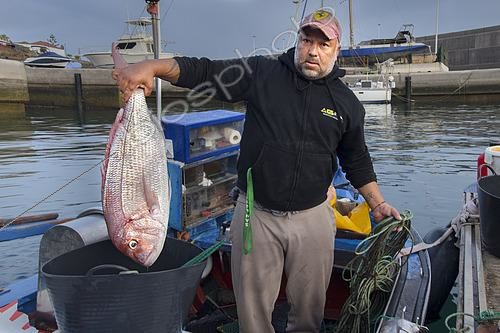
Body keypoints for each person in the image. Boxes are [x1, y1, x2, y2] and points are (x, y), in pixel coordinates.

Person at [113, 8, 401, 333]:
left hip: (314, 217)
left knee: (309, 310)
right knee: (252, 311)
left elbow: (357, 159)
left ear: (337, 50)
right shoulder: (262, 73)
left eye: (323, 44)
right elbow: (206, 72)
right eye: (307, 40)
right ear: (298, 41)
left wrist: (377, 203)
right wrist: (153, 66)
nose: (312, 50)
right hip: (256, 213)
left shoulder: (347, 103)